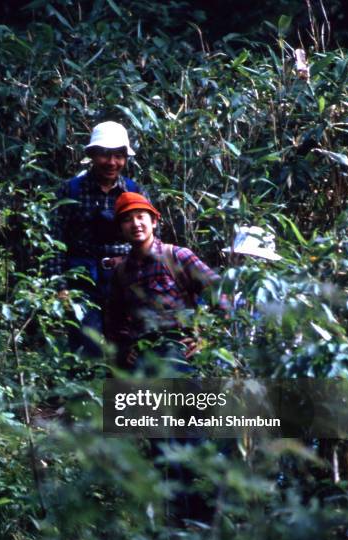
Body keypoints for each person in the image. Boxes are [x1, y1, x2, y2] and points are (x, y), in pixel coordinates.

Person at [47, 121, 149, 356]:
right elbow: (55, 241)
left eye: (118, 156)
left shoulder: (134, 192)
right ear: (92, 155)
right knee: (85, 348)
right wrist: (60, 286)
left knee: (128, 348)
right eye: (104, 155)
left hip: (125, 279)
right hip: (82, 279)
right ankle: (85, 390)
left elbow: (149, 241)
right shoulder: (70, 190)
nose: (112, 163)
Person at [105, 192, 222, 374]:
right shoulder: (121, 272)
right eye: (127, 220)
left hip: (179, 350)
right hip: (143, 354)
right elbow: (114, 322)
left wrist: (206, 337)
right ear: (120, 229)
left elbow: (221, 294)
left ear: (153, 222)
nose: (135, 224)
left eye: (140, 217)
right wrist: (125, 350)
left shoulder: (177, 256)